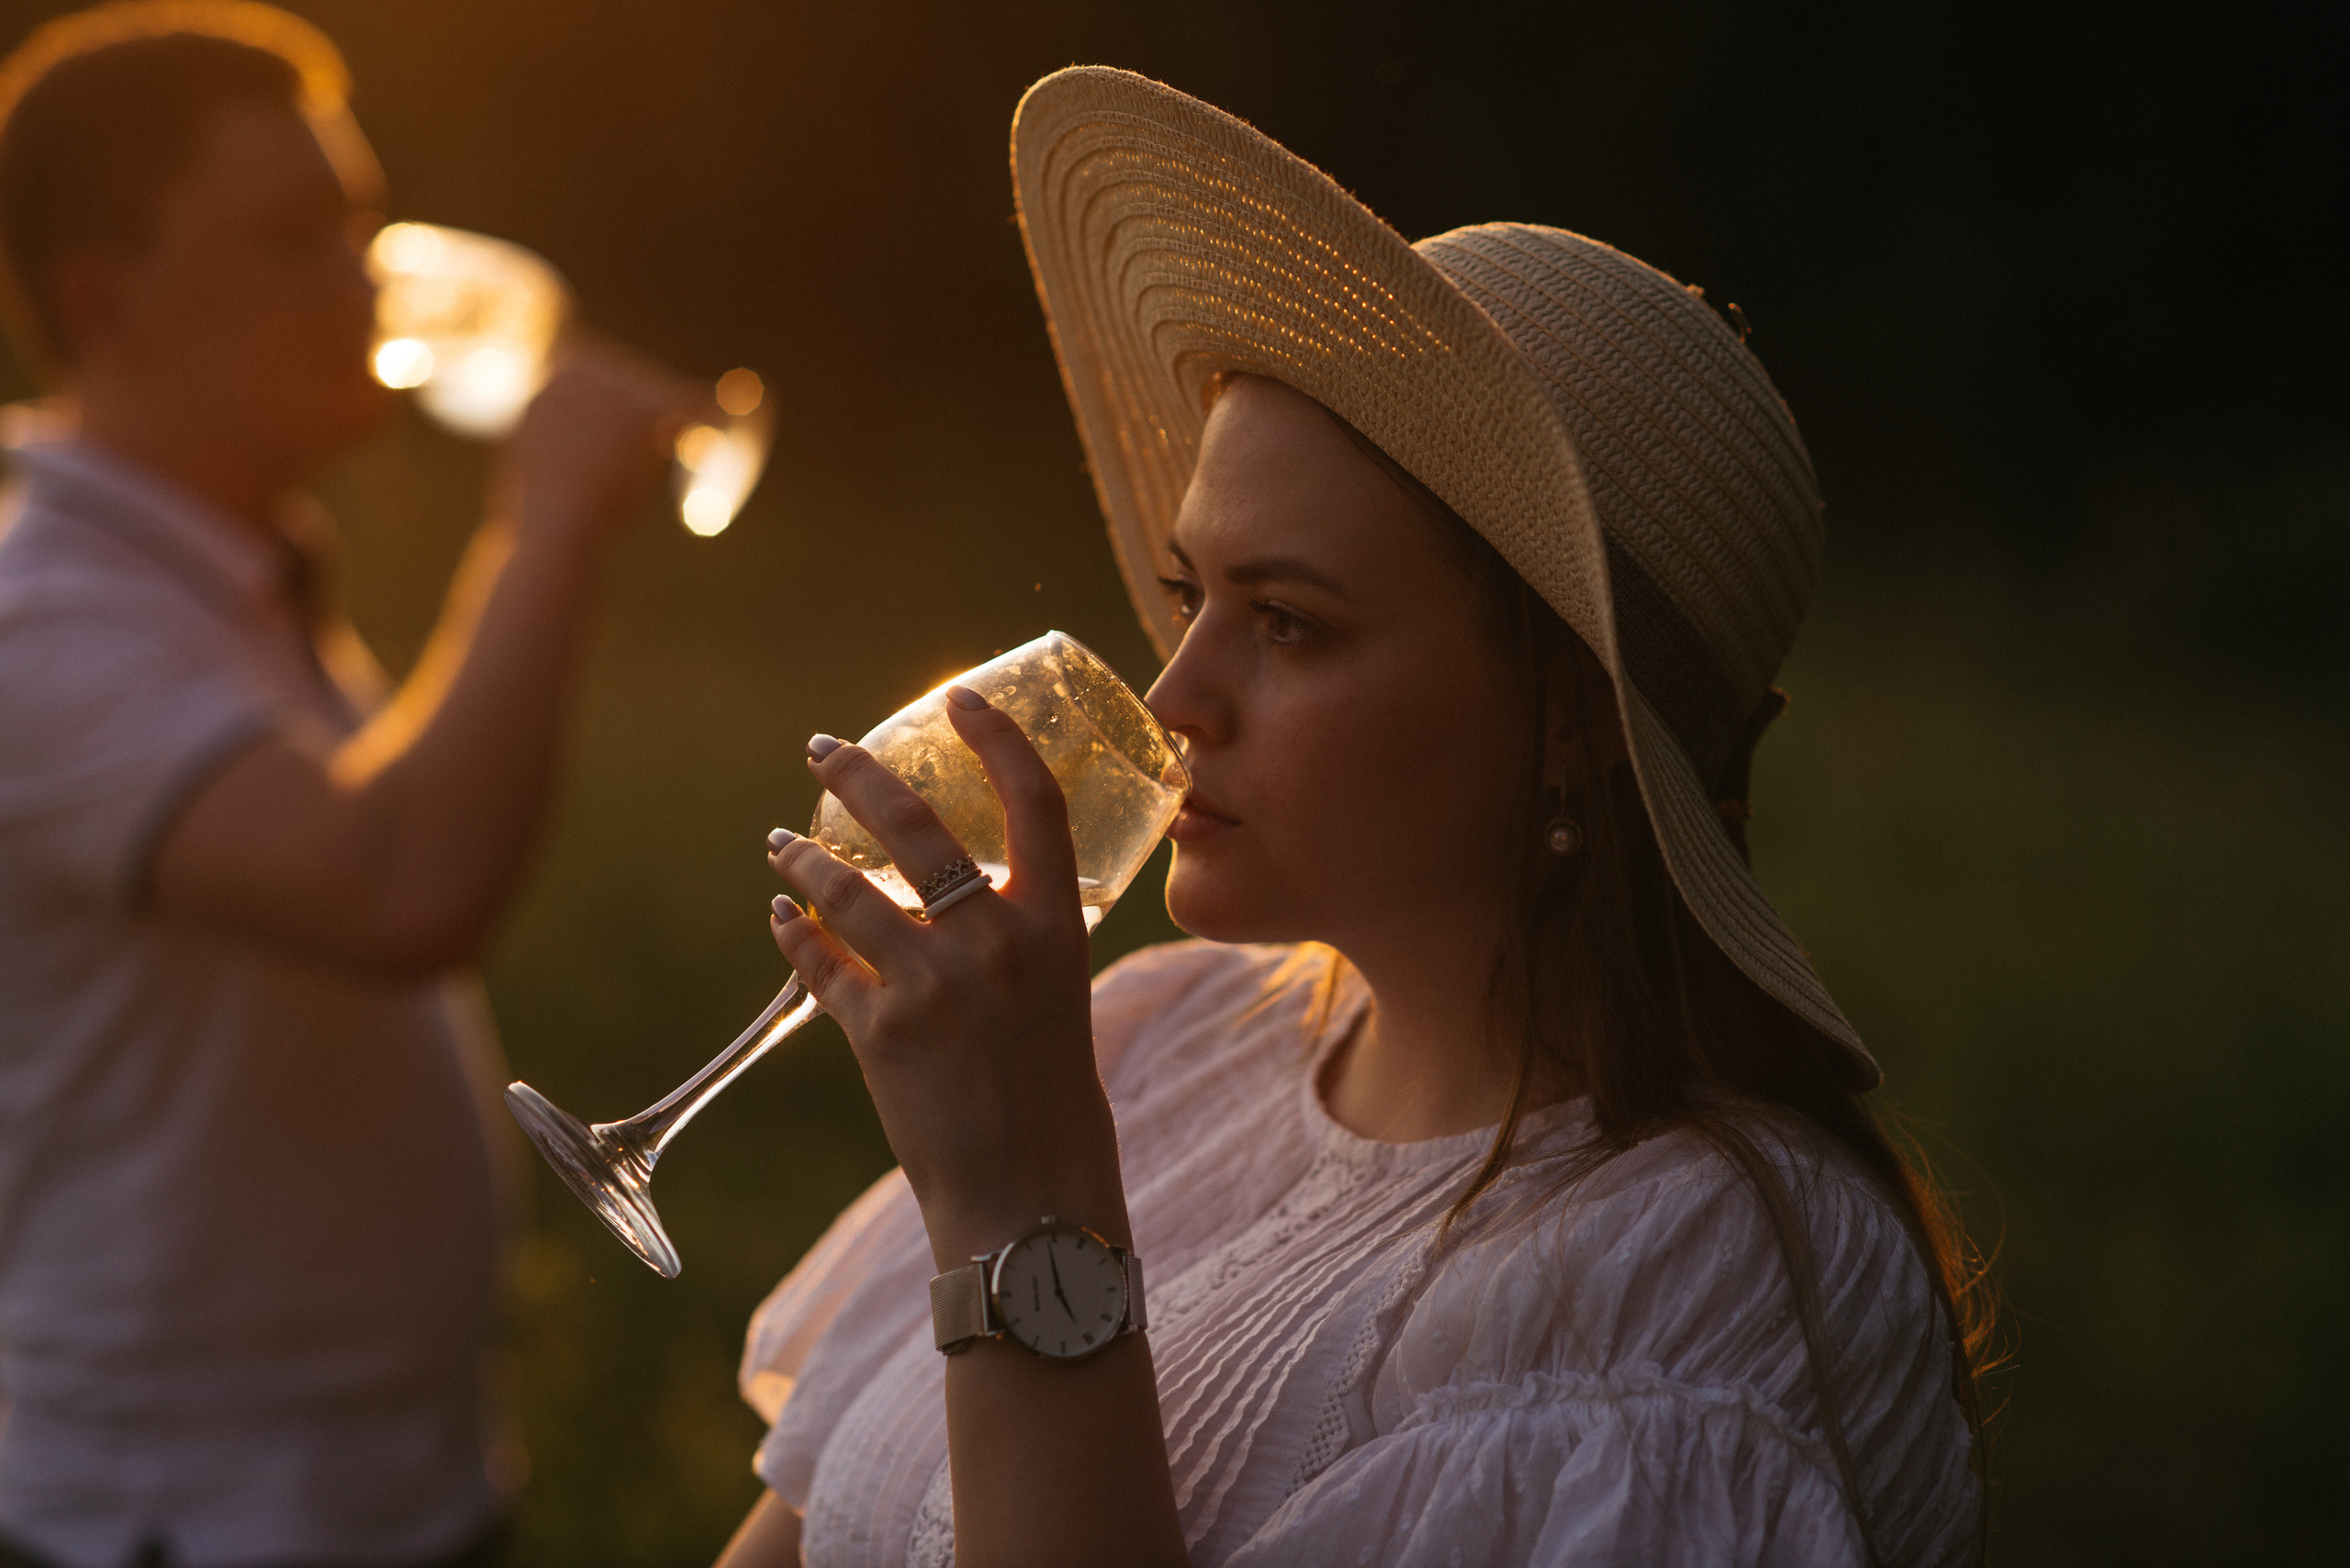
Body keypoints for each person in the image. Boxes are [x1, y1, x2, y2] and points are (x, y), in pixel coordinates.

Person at [718, 67, 1990, 1568]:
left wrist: (1025, 1209)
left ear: (1570, 722)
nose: (1173, 693)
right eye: (1195, 596)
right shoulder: (1164, 1037)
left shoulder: (1690, 1294)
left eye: (1293, 622)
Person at [0, 5, 707, 1565]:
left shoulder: (214, 577)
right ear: (101, 301)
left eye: (364, 219)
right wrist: (544, 532)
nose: (367, 278)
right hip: (190, 1515)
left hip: (369, 1488)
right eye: (291, 235)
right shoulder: (38, 623)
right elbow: (403, 883)